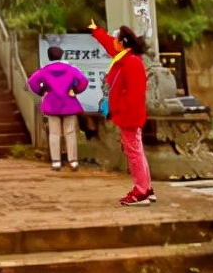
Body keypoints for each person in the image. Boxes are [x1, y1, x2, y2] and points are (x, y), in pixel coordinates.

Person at [88, 20, 156, 206]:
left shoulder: (131, 62)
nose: (114, 42)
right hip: (128, 115)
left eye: (117, 40)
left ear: (123, 43)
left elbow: (135, 94)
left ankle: (141, 191)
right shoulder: (124, 58)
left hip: (129, 116)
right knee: (136, 151)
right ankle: (146, 188)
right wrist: (96, 31)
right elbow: (109, 43)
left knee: (134, 153)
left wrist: (119, 111)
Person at [27, 45, 89, 171]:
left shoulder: (44, 70)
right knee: (70, 132)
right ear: (61, 55)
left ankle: (56, 162)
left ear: (49, 56)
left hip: (51, 104)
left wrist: (41, 91)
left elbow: (32, 81)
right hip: (69, 103)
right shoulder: (71, 69)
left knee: (54, 133)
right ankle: (73, 162)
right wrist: (75, 90)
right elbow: (83, 81)